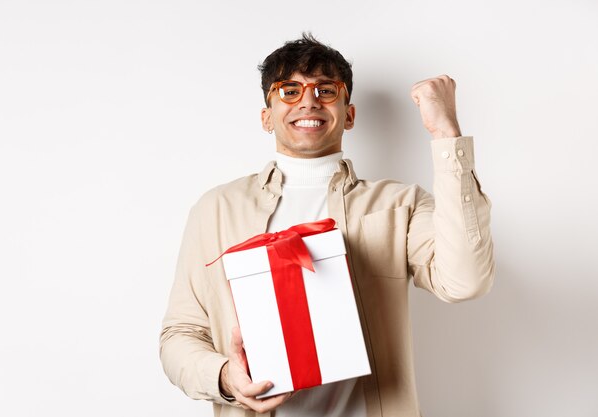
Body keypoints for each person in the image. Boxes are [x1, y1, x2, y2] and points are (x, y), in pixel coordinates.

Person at [160, 33, 495, 417]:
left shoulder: (399, 205)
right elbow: (179, 335)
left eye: (326, 90)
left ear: (349, 114)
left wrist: (446, 135)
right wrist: (223, 377)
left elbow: (467, 281)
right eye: (289, 90)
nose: (308, 100)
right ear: (266, 116)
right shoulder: (215, 209)